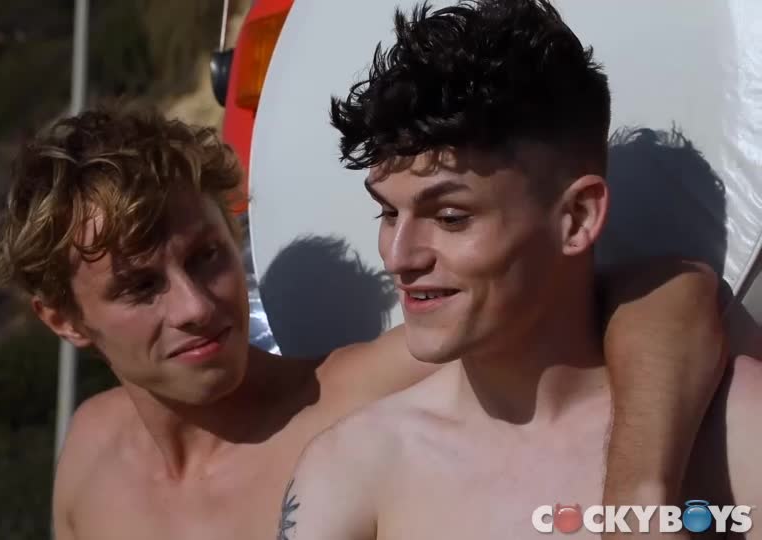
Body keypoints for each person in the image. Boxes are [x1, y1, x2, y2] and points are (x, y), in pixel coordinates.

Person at [0, 100, 725, 540]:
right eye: (140, 287)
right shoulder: (91, 451)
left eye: (207, 256)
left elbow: (669, 290)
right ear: (64, 320)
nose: (196, 306)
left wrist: (638, 499)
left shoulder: (350, 399)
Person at [280, 1, 760, 539]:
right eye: (389, 213)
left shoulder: (734, 433)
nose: (399, 256)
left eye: (451, 217)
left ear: (576, 218)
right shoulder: (354, 469)